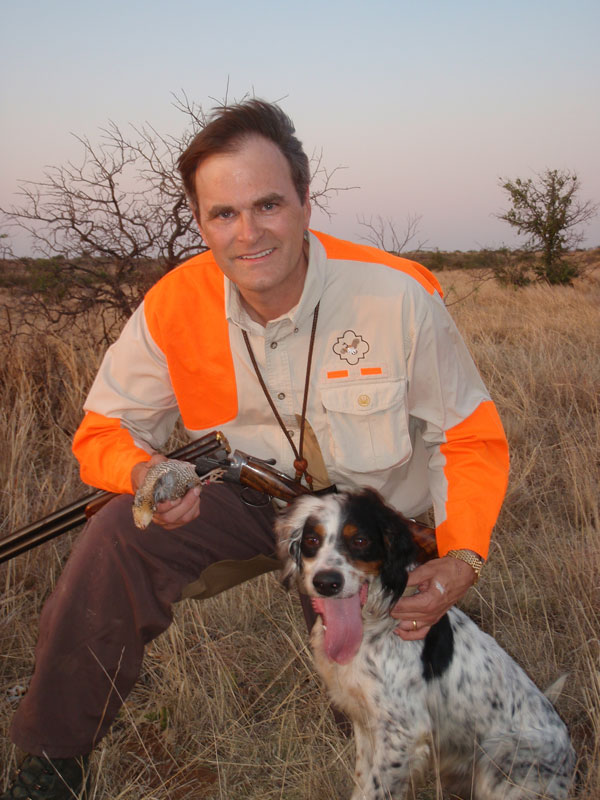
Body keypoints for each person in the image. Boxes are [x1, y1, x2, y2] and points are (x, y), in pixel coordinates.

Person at [2, 100, 509, 799]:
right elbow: (102, 432)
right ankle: (54, 757)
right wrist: (145, 472)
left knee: (403, 696)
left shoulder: (398, 294)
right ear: (200, 220)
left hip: (374, 517)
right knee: (116, 533)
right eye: (224, 214)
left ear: (305, 199)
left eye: (268, 204)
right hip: (251, 499)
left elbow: (469, 438)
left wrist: (461, 557)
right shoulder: (174, 304)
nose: (249, 234)